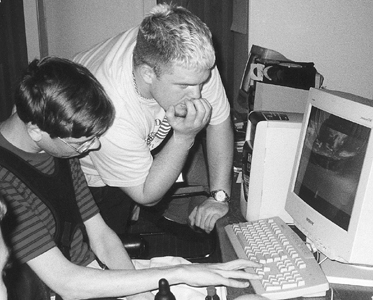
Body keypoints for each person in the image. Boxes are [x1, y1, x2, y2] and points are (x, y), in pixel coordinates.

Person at [0, 56, 262, 300]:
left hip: (94, 274)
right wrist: (178, 275)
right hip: (64, 289)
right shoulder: (5, 182)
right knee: (192, 276)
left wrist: (141, 295)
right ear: (35, 130)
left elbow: (101, 237)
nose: (93, 148)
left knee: (224, 285)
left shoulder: (59, 147)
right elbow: (66, 283)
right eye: (82, 143)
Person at [73, 2, 234, 236]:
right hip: (85, 167)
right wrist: (184, 137)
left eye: (202, 82)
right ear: (148, 73)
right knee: (102, 252)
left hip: (137, 130)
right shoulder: (109, 110)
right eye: (186, 86)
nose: (198, 94)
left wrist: (219, 197)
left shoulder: (190, 65)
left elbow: (218, 121)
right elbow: (146, 195)